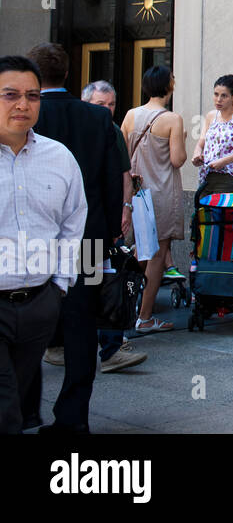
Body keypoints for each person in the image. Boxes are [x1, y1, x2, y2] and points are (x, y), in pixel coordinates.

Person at [24, 44, 126, 433]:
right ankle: (73, 417)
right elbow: (112, 177)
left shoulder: (26, 116)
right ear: (68, 74)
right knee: (82, 326)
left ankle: (27, 409)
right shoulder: (97, 119)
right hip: (89, 240)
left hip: (35, 240)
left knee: (27, 324)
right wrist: (112, 229)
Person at [0, 56, 86, 435]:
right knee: (6, 409)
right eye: (10, 95)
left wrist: (59, 285)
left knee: (16, 400)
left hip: (38, 304)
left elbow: (73, 222)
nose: (23, 104)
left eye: (32, 96)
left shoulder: (60, 157)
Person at [81, 81, 146, 374]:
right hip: (79, 226)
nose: (106, 110)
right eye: (99, 105)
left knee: (106, 284)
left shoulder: (112, 132)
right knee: (86, 286)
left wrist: (126, 209)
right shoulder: (78, 131)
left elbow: (124, 174)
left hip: (102, 227)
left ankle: (110, 349)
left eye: (110, 105)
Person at [121, 65, 187, 333]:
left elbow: (123, 155)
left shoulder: (130, 115)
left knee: (138, 250)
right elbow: (177, 159)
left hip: (135, 192)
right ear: (168, 86)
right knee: (157, 256)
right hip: (160, 193)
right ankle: (145, 317)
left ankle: (125, 306)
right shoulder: (172, 119)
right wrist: (182, 140)